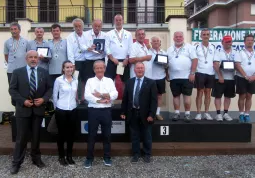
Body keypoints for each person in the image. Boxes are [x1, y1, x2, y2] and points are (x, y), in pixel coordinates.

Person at [9, 50, 52, 174]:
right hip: (23, 110)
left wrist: (44, 99)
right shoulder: (17, 72)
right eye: (31, 57)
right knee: (21, 138)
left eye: (35, 57)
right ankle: (16, 163)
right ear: (26, 59)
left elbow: (50, 88)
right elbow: (12, 90)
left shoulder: (44, 72)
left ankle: (36, 159)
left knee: (36, 137)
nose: (33, 59)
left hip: (38, 110)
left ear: (38, 59)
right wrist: (23, 101)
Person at [120, 62, 157, 163]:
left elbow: (154, 101)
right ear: (134, 70)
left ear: (144, 70)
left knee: (147, 135)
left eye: (141, 68)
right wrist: (123, 111)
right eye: (138, 68)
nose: (140, 70)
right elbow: (125, 98)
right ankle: (136, 154)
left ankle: (147, 154)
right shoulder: (129, 82)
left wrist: (151, 114)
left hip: (146, 115)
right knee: (134, 135)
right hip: (132, 113)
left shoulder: (151, 83)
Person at [84, 60, 118, 168]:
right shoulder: (90, 81)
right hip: (94, 110)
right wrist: (100, 100)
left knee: (107, 135)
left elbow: (115, 93)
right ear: (94, 69)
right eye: (97, 68)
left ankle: (107, 157)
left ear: (104, 69)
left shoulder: (109, 80)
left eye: (101, 67)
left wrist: (102, 95)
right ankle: (89, 158)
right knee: (91, 135)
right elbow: (87, 95)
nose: (99, 70)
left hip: (106, 111)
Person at [167, 31, 198, 122]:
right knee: (175, 96)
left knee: (187, 96)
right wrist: (167, 73)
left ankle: (187, 114)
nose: (178, 38)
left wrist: (192, 73)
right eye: (176, 37)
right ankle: (177, 113)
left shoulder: (189, 47)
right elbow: (166, 63)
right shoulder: (169, 49)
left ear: (183, 38)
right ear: (173, 38)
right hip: (174, 77)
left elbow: (195, 60)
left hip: (187, 76)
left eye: (180, 36)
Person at [53, 60, 78, 166]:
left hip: (72, 109)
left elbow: (76, 94)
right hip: (61, 109)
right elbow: (54, 95)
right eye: (67, 67)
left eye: (71, 67)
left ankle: (69, 156)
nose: (69, 69)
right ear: (63, 69)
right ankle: (61, 156)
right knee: (61, 135)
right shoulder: (58, 80)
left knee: (71, 135)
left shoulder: (75, 80)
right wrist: (56, 109)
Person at [212, 36, 236, 121]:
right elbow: (215, 64)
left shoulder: (235, 52)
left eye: (230, 41)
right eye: (226, 41)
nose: (228, 43)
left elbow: (238, 64)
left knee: (228, 97)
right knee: (218, 96)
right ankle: (218, 114)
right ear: (222, 42)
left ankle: (226, 113)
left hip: (231, 78)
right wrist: (220, 76)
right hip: (220, 78)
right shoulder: (218, 52)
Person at [4, 22, 28, 106]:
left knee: (23, 89)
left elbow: (28, 55)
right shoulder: (7, 42)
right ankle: (15, 108)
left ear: (19, 30)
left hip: (23, 70)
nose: (13, 31)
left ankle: (23, 106)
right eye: (11, 29)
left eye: (15, 29)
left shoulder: (25, 41)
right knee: (13, 89)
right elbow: (6, 56)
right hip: (11, 70)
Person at [194, 28, 216, 121]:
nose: (206, 36)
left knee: (208, 93)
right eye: (204, 34)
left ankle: (206, 112)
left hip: (211, 73)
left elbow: (215, 61)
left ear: (209, 36)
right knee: (200, 92)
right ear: (201, 36)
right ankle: (198, 113)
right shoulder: (196, 46)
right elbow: (194, 60)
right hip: (200, 72)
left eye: (207, 34)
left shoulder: (213, 46)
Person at [105, 14, 133, 82]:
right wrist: (112, 58)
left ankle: (125, 93)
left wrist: (127, 59)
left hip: (124, 61)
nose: (118, 22)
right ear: (114, 21)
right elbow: (106, 47)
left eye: (120, 20)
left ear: (123, 21)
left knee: (125, 81)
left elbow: (130, 47)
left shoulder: (128, 34)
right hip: (113, 61)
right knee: (109, 81)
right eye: (116, 20)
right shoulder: (109, 34)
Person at [234, 34, 255, 123]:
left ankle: (247, 114)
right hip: (241, 77)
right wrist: (246, 76)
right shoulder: (240, 52)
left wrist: (253, 76)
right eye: (248, 40)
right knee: (242, 95)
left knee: (249, 96)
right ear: (244, 42)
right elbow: (237, 65)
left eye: (251, 40)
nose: (250, 42)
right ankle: (241, 114)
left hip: (253, 78)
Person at [67, 18, 86, 103]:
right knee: (75, 80)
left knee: (85, 80)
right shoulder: (70, 37)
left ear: (82, 26)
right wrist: (72, 64)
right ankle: (75, 98)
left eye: (79, 26)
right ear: (73, 27)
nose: (78, 28)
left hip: (86, 61)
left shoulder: (87, 35)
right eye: (76, 26)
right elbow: (70, 51)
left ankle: (83, 98)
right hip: (76, 62)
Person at [148, 36, 168, 120]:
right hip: (149, 77)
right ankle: (149, 113)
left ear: (160, 43)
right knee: (149, 96)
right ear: (151, 43)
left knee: (159, 96)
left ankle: (157, 113)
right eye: (154, 41)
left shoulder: (164, 52)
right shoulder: (147, 52)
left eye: (157, 41)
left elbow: (167, 65)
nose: (156, 42)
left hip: (161, 77)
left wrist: (164, 64)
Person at [83, 19, 107, 84]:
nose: (97, 28)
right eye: (95, 26)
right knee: (89, 80)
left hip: (100, 59)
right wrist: (88, 48)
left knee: (101, 79)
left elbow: (107, 48)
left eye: (99, 26)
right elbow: (82, 46)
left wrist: (103, 50)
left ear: (101, 26)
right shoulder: (85, 34)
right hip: (89, 61)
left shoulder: (105, 35)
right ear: (92, 26)